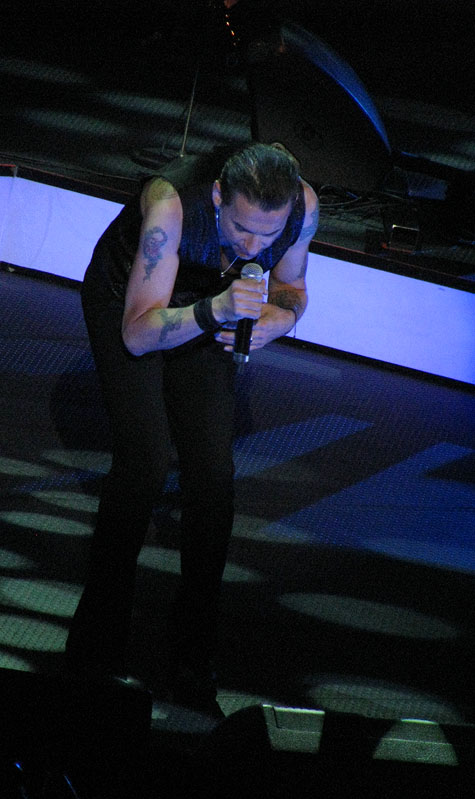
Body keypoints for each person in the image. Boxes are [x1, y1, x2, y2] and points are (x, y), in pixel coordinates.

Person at [64, 142, 319, 712]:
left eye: (267, 235)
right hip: (129, 298)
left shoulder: (302, 208)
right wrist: (216, 312)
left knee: (212, 474)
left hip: (209, 300)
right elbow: (138, 335)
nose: (253, 247)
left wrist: (279, 319)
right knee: (145, 460)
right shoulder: (170, 207)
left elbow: (293, 288)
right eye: (242, 229)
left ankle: (192, 659)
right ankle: (93, 652)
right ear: (218, 198)